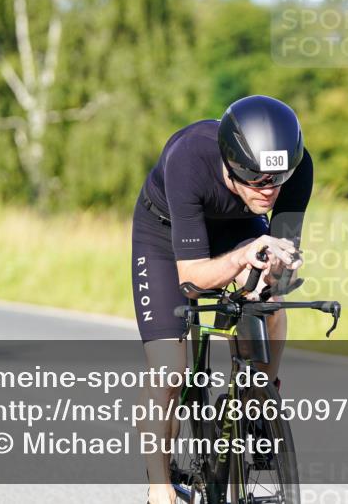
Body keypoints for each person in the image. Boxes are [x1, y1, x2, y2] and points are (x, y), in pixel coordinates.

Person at [131, 95, 313, 504]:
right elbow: (192, 279)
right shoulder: (189, 159)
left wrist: (277, 271)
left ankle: (259, 398)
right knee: (169, 371)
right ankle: (160, 487)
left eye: (278, 179)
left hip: (237, 224)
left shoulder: (294, 172)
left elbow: (283, 258)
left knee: (268, 300)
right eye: (257, 179)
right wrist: (239, 259)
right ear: (230, 166)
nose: (270, 190)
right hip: (164, 233)